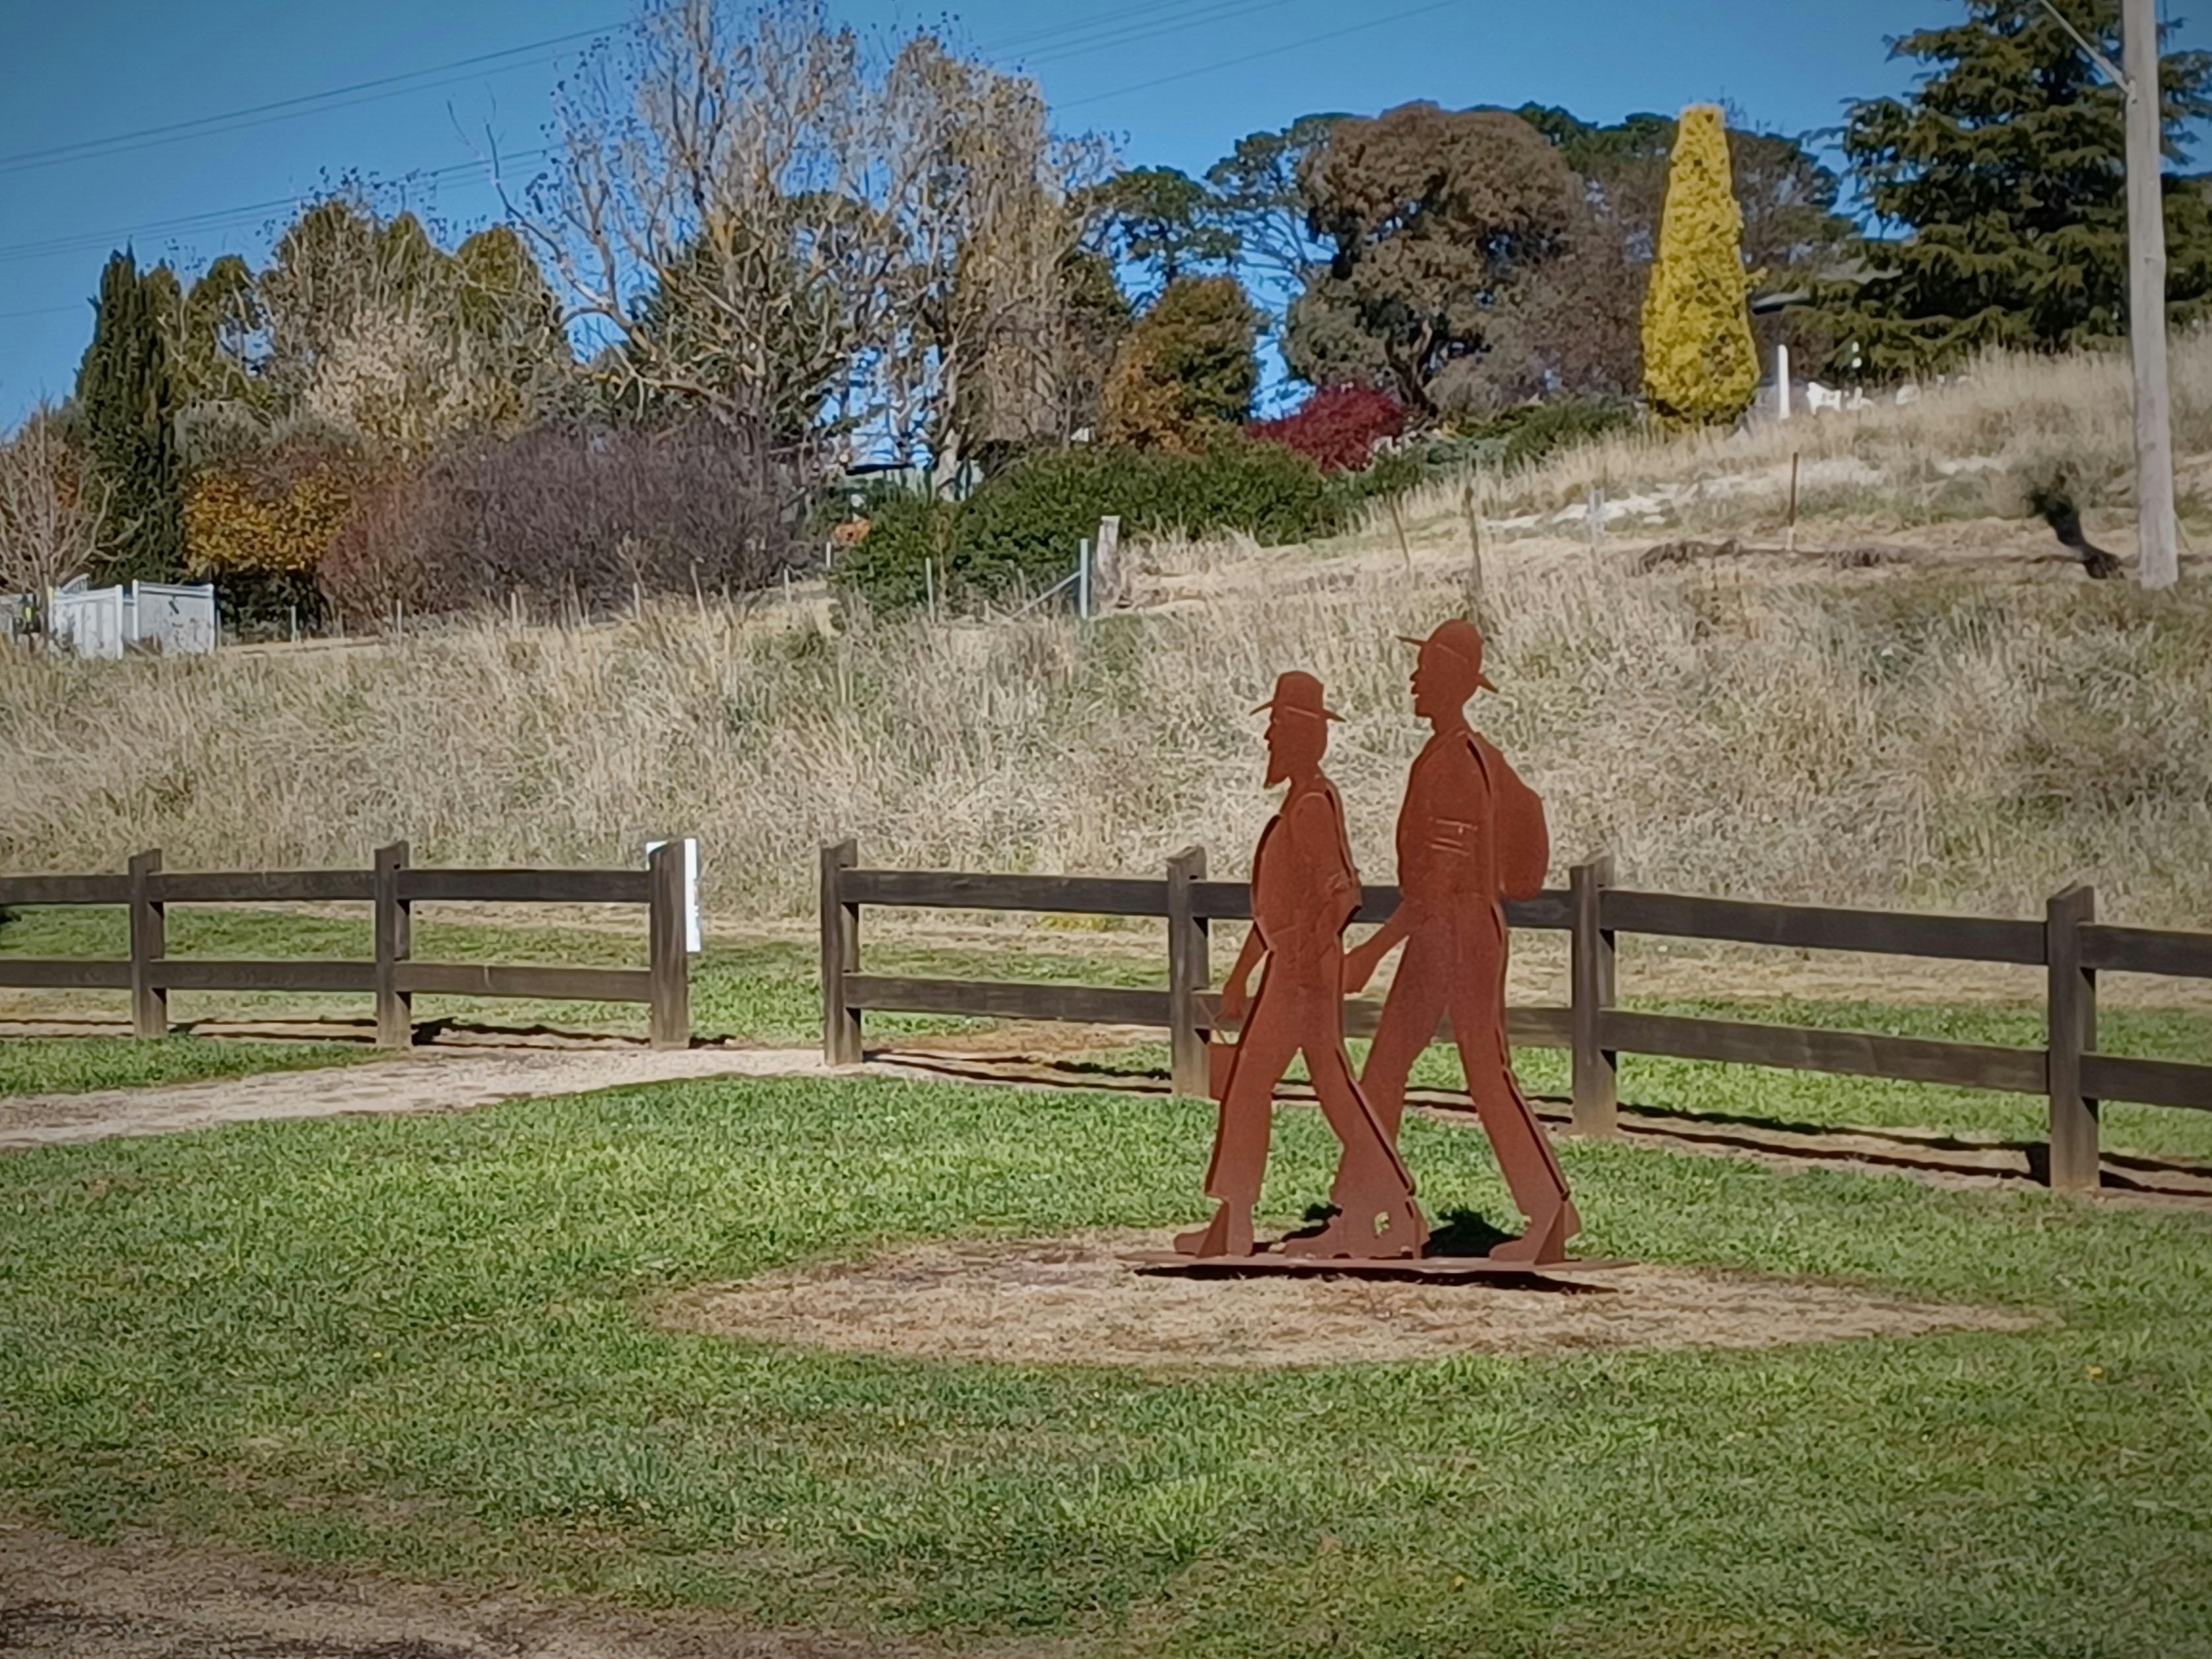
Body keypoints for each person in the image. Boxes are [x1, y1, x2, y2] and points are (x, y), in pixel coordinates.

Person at [1340, 620, 1580, 1263]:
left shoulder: (1453, 763)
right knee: (1392, 1069)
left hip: (1456, 934)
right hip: (1448, 930)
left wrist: (1370, 950)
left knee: (1479, 1072)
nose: (1413, 678)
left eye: (1425, 670)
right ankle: (1366, 1211)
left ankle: (1547, 1213)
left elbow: (1441, 882)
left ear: (1452, 682)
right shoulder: (1461, 754)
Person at [1178, 670, 1425, 1260]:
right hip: (1290, 969)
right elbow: (1276, 910)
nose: (1267, 737)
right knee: (1262, 1085)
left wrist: (1312, 960)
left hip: (1304, 976)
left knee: (1319, 1090)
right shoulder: (1297, 804)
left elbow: (1341, 893)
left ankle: (1397, 1210)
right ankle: (1234, 1221)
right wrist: (1242, 976)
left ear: (1301, 736)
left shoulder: (1313, 804)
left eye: (1277, 726)